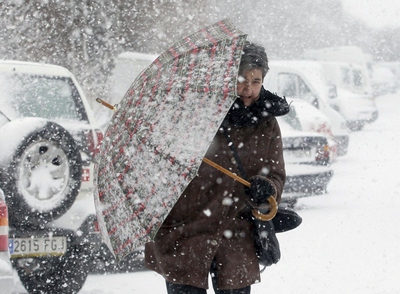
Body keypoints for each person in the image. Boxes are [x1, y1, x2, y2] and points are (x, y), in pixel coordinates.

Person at [145, 41, 289, 294]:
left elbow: (275, 172)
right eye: (241, 79)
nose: (248, 88)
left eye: (256, 81)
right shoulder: (196, 113)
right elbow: (165, 165)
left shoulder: (267, 123)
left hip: (237, 232)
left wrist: (267, 188)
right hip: (187, 229)